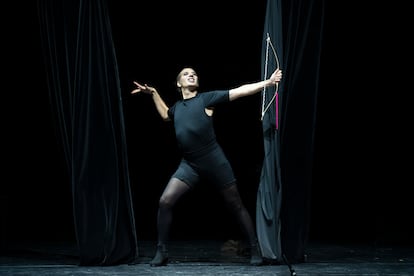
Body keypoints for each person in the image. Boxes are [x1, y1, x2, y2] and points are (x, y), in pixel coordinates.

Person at [131, 66, 282, 266]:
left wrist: (268, 83)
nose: (191, 75)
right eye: (186, 74)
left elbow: (239, 91)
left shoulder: (206, 99)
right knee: (165, 201)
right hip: (190, 164)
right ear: (178, 83)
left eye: (194, 73)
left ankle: (255, 247)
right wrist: (154, 93)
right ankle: (162, 251)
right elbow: (166, 115)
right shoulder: (177, 107)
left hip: (214, 161)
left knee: (235, 204)